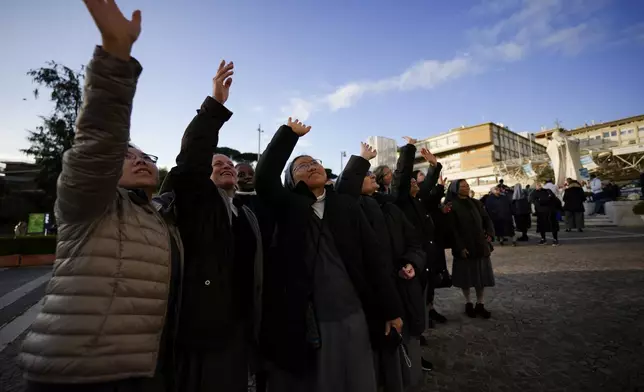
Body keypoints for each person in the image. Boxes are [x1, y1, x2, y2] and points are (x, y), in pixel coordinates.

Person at [20, 2, 180, 390]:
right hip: (81, 375)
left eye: (146, 156)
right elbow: (98, 142)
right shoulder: (89, 201)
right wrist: (115, 57)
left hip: (143, 372)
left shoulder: (158, 216)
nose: (140, 160)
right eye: (128, 155)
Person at [256, 118, 403, 392]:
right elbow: (263, 178)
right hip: (311, 320)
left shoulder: (346, 206)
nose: (312, 166)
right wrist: (289, 135)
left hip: (356, 314)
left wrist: (391, 310)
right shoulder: (288, 206)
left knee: (360, 380)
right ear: (291, 181)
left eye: (315, 162)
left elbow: (375, 260)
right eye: (302, 165)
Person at [159, 60, 264, 391]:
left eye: (231, 163)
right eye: (218, 163)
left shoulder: (246, 215)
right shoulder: (198, 202)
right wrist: (215, 105)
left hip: (238, 328)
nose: (228, 166)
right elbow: (191, 158)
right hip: (198, 330)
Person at [336, 142, 426, 391]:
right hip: (374, 297)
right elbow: (344, 190)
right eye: (364, 174)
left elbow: (414, 244)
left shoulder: (391, 207)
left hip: (401, 289)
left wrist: (411, 264)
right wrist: (361, 159)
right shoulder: (348, 208)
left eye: (370, 172)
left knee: (403, 350)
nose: (370, 175)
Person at [446, 180, 495, 319]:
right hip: (465, 247)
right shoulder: (452, 205)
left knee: (481, 276)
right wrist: (460, 247)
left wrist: (490, 233)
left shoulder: (476, 203)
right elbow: (452, 229)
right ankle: (468, 303)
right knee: (466, 277)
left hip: (480, 245)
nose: (466, 188)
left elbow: (487, 219)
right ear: (455, 189)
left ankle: (480, 303)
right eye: (463, 186)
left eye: (467, 185)